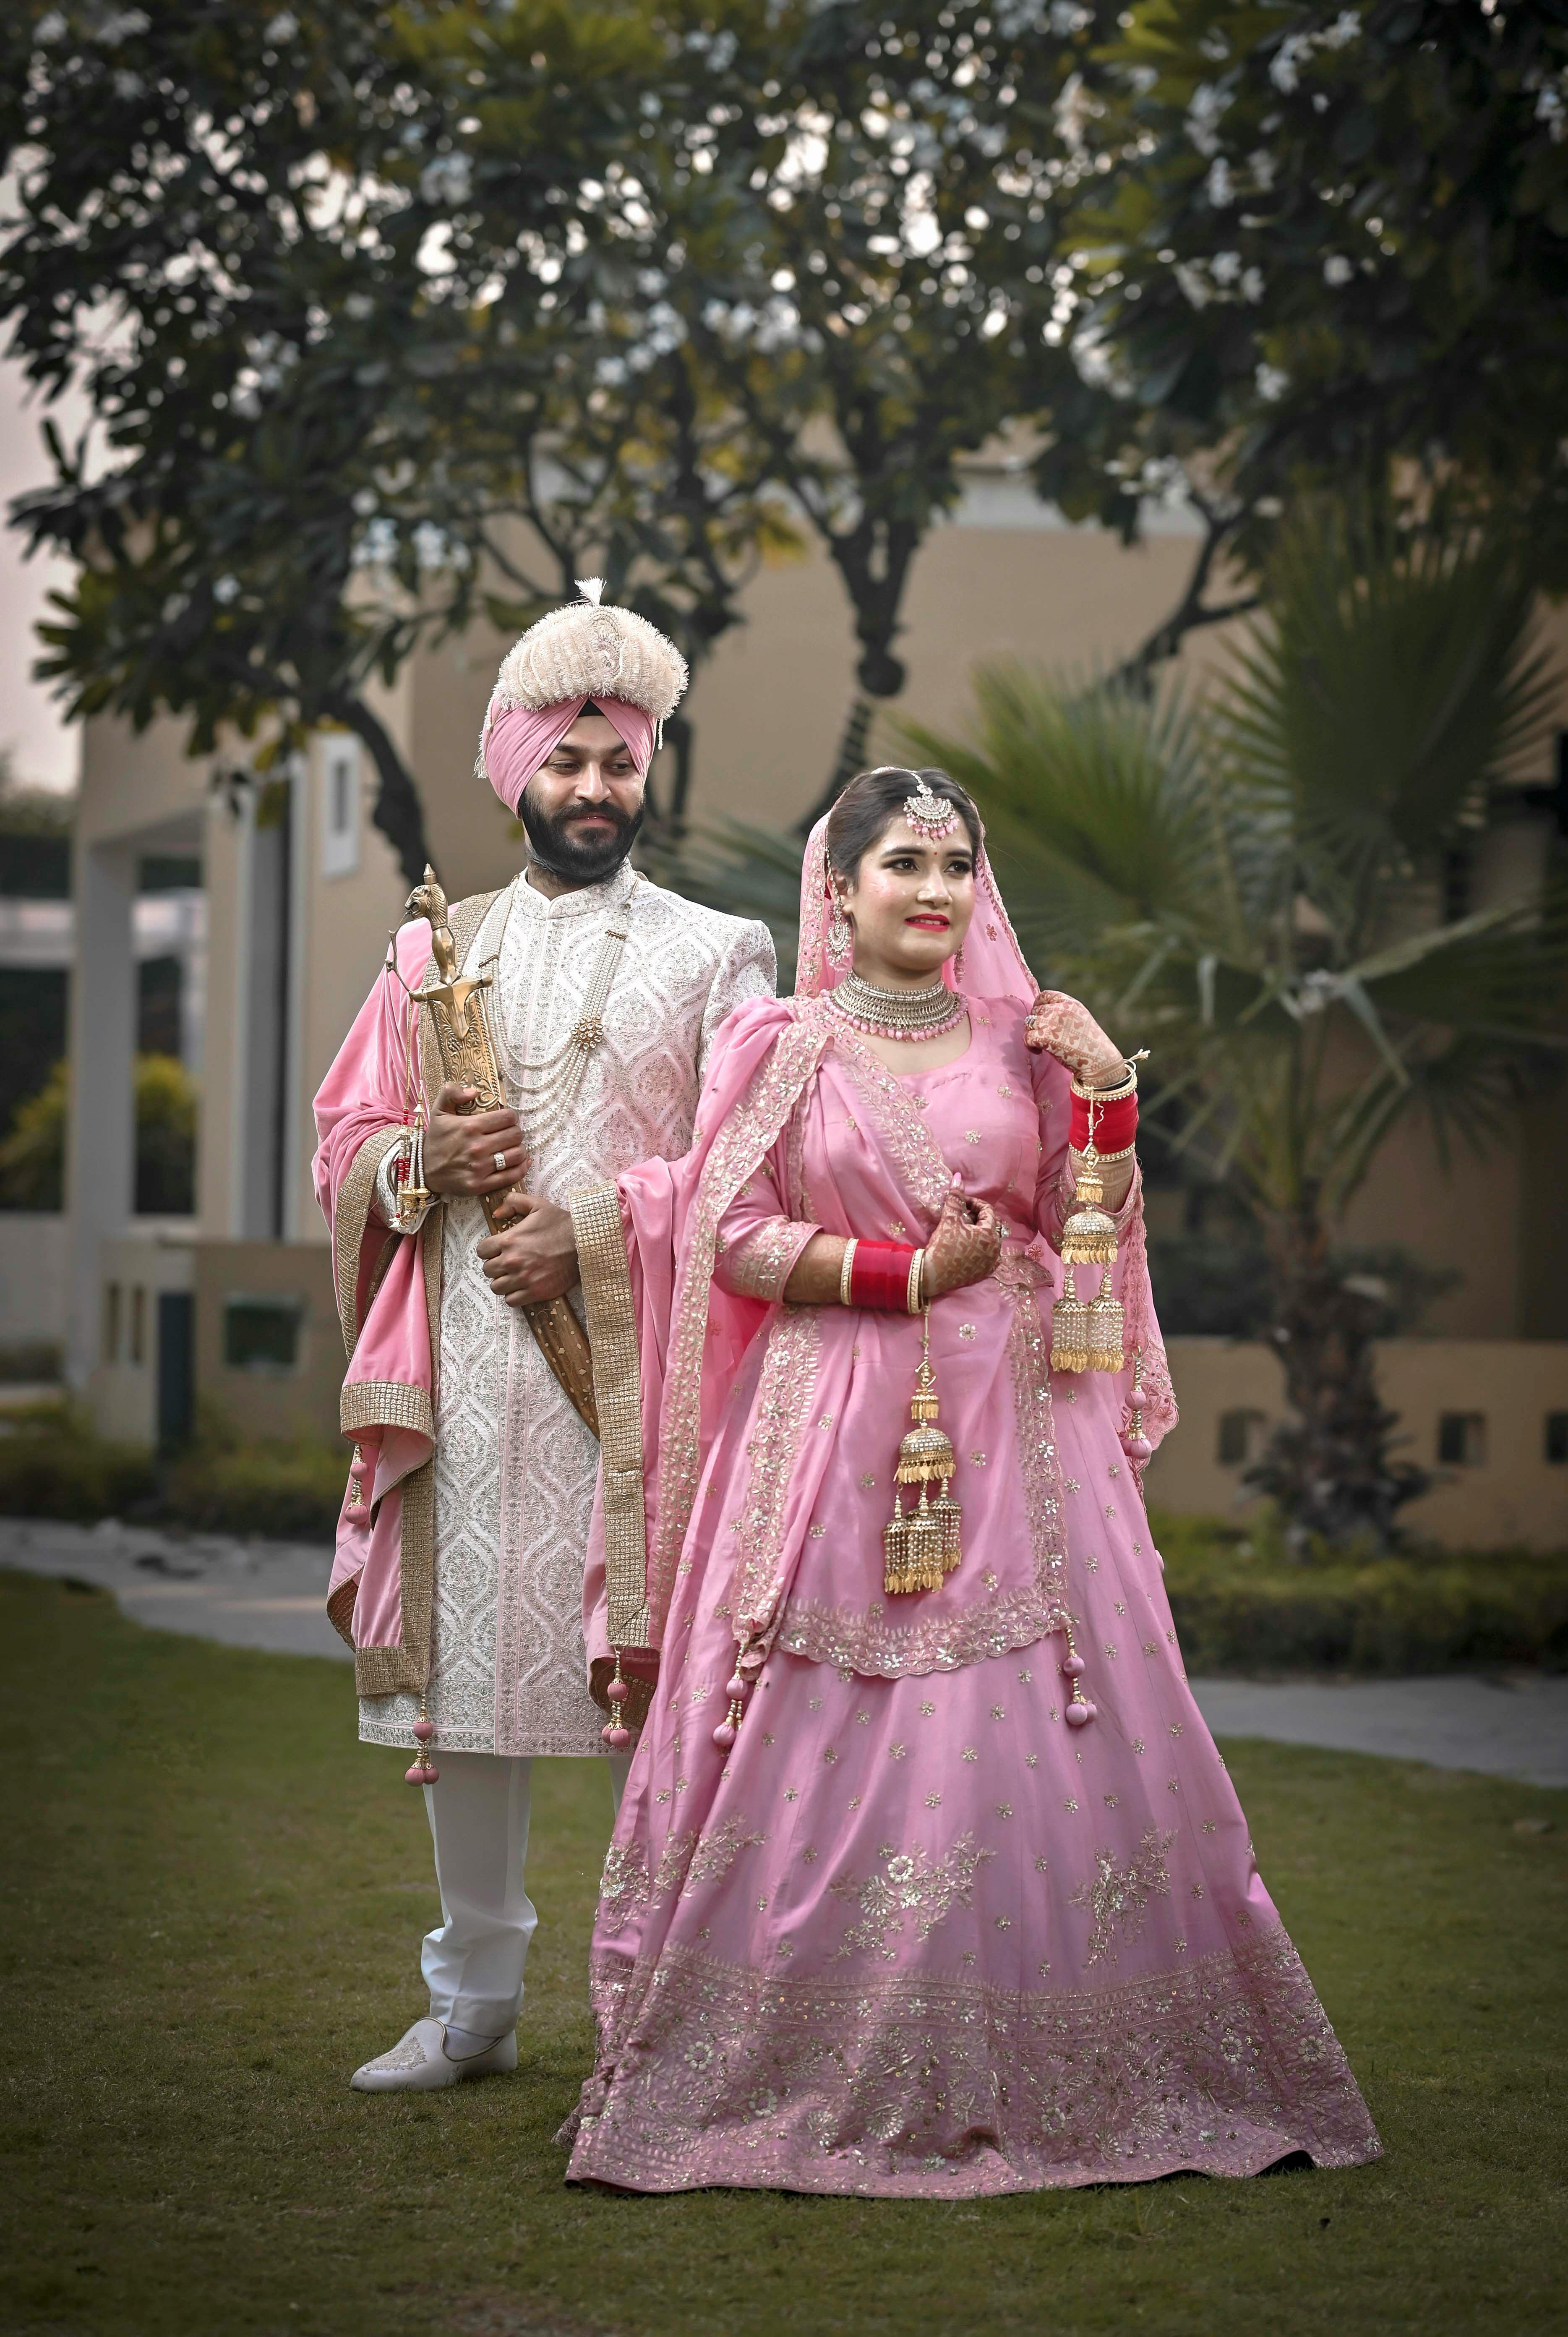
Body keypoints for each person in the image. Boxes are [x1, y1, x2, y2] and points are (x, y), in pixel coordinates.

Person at [558, 764, 1380, 2195]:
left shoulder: (1027, 1038)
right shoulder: (779, 1045)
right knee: (832, 1713)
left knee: (1048, 1712)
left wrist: (1108, 1092)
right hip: (832, 1427)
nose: (933, 890)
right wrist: (896, 1272)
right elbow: (730, 1235)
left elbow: (1084, 1221)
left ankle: (1085, 2056)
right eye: (903, 863)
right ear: (839, 889)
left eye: (954, 865)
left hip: (1023, 1427)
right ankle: (789, 2054)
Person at [312, 583, 775, 2093]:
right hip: (464, 1368)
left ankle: (683, 2011)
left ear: (648, 775)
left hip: (640, 1378)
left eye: (619, 762)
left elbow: (747, 1165)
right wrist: (420, 1162)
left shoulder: (720, 952)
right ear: (517, 770)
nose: (594, 788)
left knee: (675, 1686)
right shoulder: (432, 952)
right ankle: (473, 2006)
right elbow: (346, 1138)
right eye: (567, 761)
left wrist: (584, 1227)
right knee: (472, 1695)